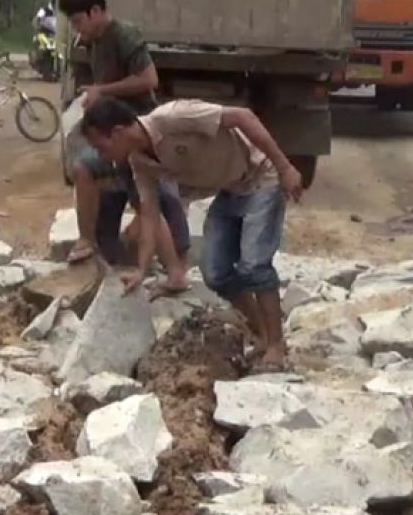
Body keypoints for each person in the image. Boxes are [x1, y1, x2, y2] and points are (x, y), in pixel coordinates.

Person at [82, 97, 303, 370]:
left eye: (100, 147)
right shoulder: (139, 162)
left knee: (254, 265)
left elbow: (243, 116)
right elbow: (150, 214)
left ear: (116, 133)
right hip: (229, 190)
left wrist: (285, 167)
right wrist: (140, 270)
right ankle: (262, 334)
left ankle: (276, 345)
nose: (102, 156)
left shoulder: (174, 117)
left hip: (262, 177)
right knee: (215, 273)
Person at [57, 0, 190, 293]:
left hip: (137, 133)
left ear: (96, 11)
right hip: (110, 137)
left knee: (153, 203)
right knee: (83, 168)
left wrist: (103, 91)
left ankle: (176, 268)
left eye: (78, 21)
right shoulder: (93, 42)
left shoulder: (124, 35)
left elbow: (149, 79)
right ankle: (87, 240)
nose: (77, 29)